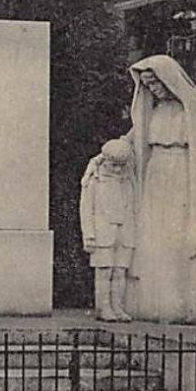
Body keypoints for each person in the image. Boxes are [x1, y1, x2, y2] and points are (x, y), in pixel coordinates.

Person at [124, 54, 196, 324]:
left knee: (180, 235)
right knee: (155, 235)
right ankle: (155, 304)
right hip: (156, 173)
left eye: (156, 82)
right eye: (147, 85)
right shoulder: (154, 111)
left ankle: (187, 304)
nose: (153, 88)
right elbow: (134, 141)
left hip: (183, 174)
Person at [80, 137, 137, 322]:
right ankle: (103, 307)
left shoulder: (129, 179)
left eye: (122, 165)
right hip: (102, 232)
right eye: (114, 165)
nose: (118, 169)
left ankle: (118, 307)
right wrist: (88, 235)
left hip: (124, 231)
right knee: (104, 271)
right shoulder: (94, 180)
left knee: (120, 271)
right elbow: (86, 209)